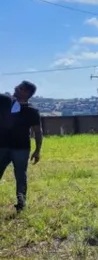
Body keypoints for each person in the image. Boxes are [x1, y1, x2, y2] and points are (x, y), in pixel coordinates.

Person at [0, 81, 42, 212]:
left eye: (19, 88)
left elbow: (38, 131)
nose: (15, 88)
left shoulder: (32, 111)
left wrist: (37, 150)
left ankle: (21, 204)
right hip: (2, 146)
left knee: (20, 176)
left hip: (21, 148)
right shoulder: (6, 103)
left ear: (26, 92)